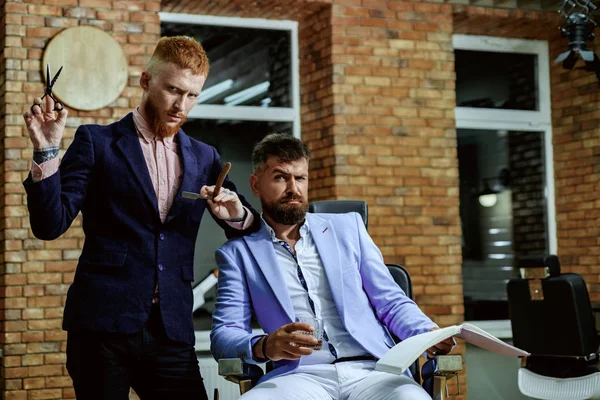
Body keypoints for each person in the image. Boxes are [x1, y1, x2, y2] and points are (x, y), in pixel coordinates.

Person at [22, 36, 260, 400]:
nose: (181, 105)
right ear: (146, 82)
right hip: (102, 329)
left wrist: (237, 214)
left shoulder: (205, 156)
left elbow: (251, 227)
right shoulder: (96, 143)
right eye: (173, 90)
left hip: (171, 330)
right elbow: (48, 224)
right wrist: (46, 150)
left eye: (192, 95)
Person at [211, 133, 455, 399]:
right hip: (298, 375)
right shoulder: (238, 254)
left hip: (375, 370)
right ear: (256, 185)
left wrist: (427, 332)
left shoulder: (348, 228)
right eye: (280, 177)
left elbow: (391, 302)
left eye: (300, 178)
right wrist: (264, 346)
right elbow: (224, 333)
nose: (294, 188)